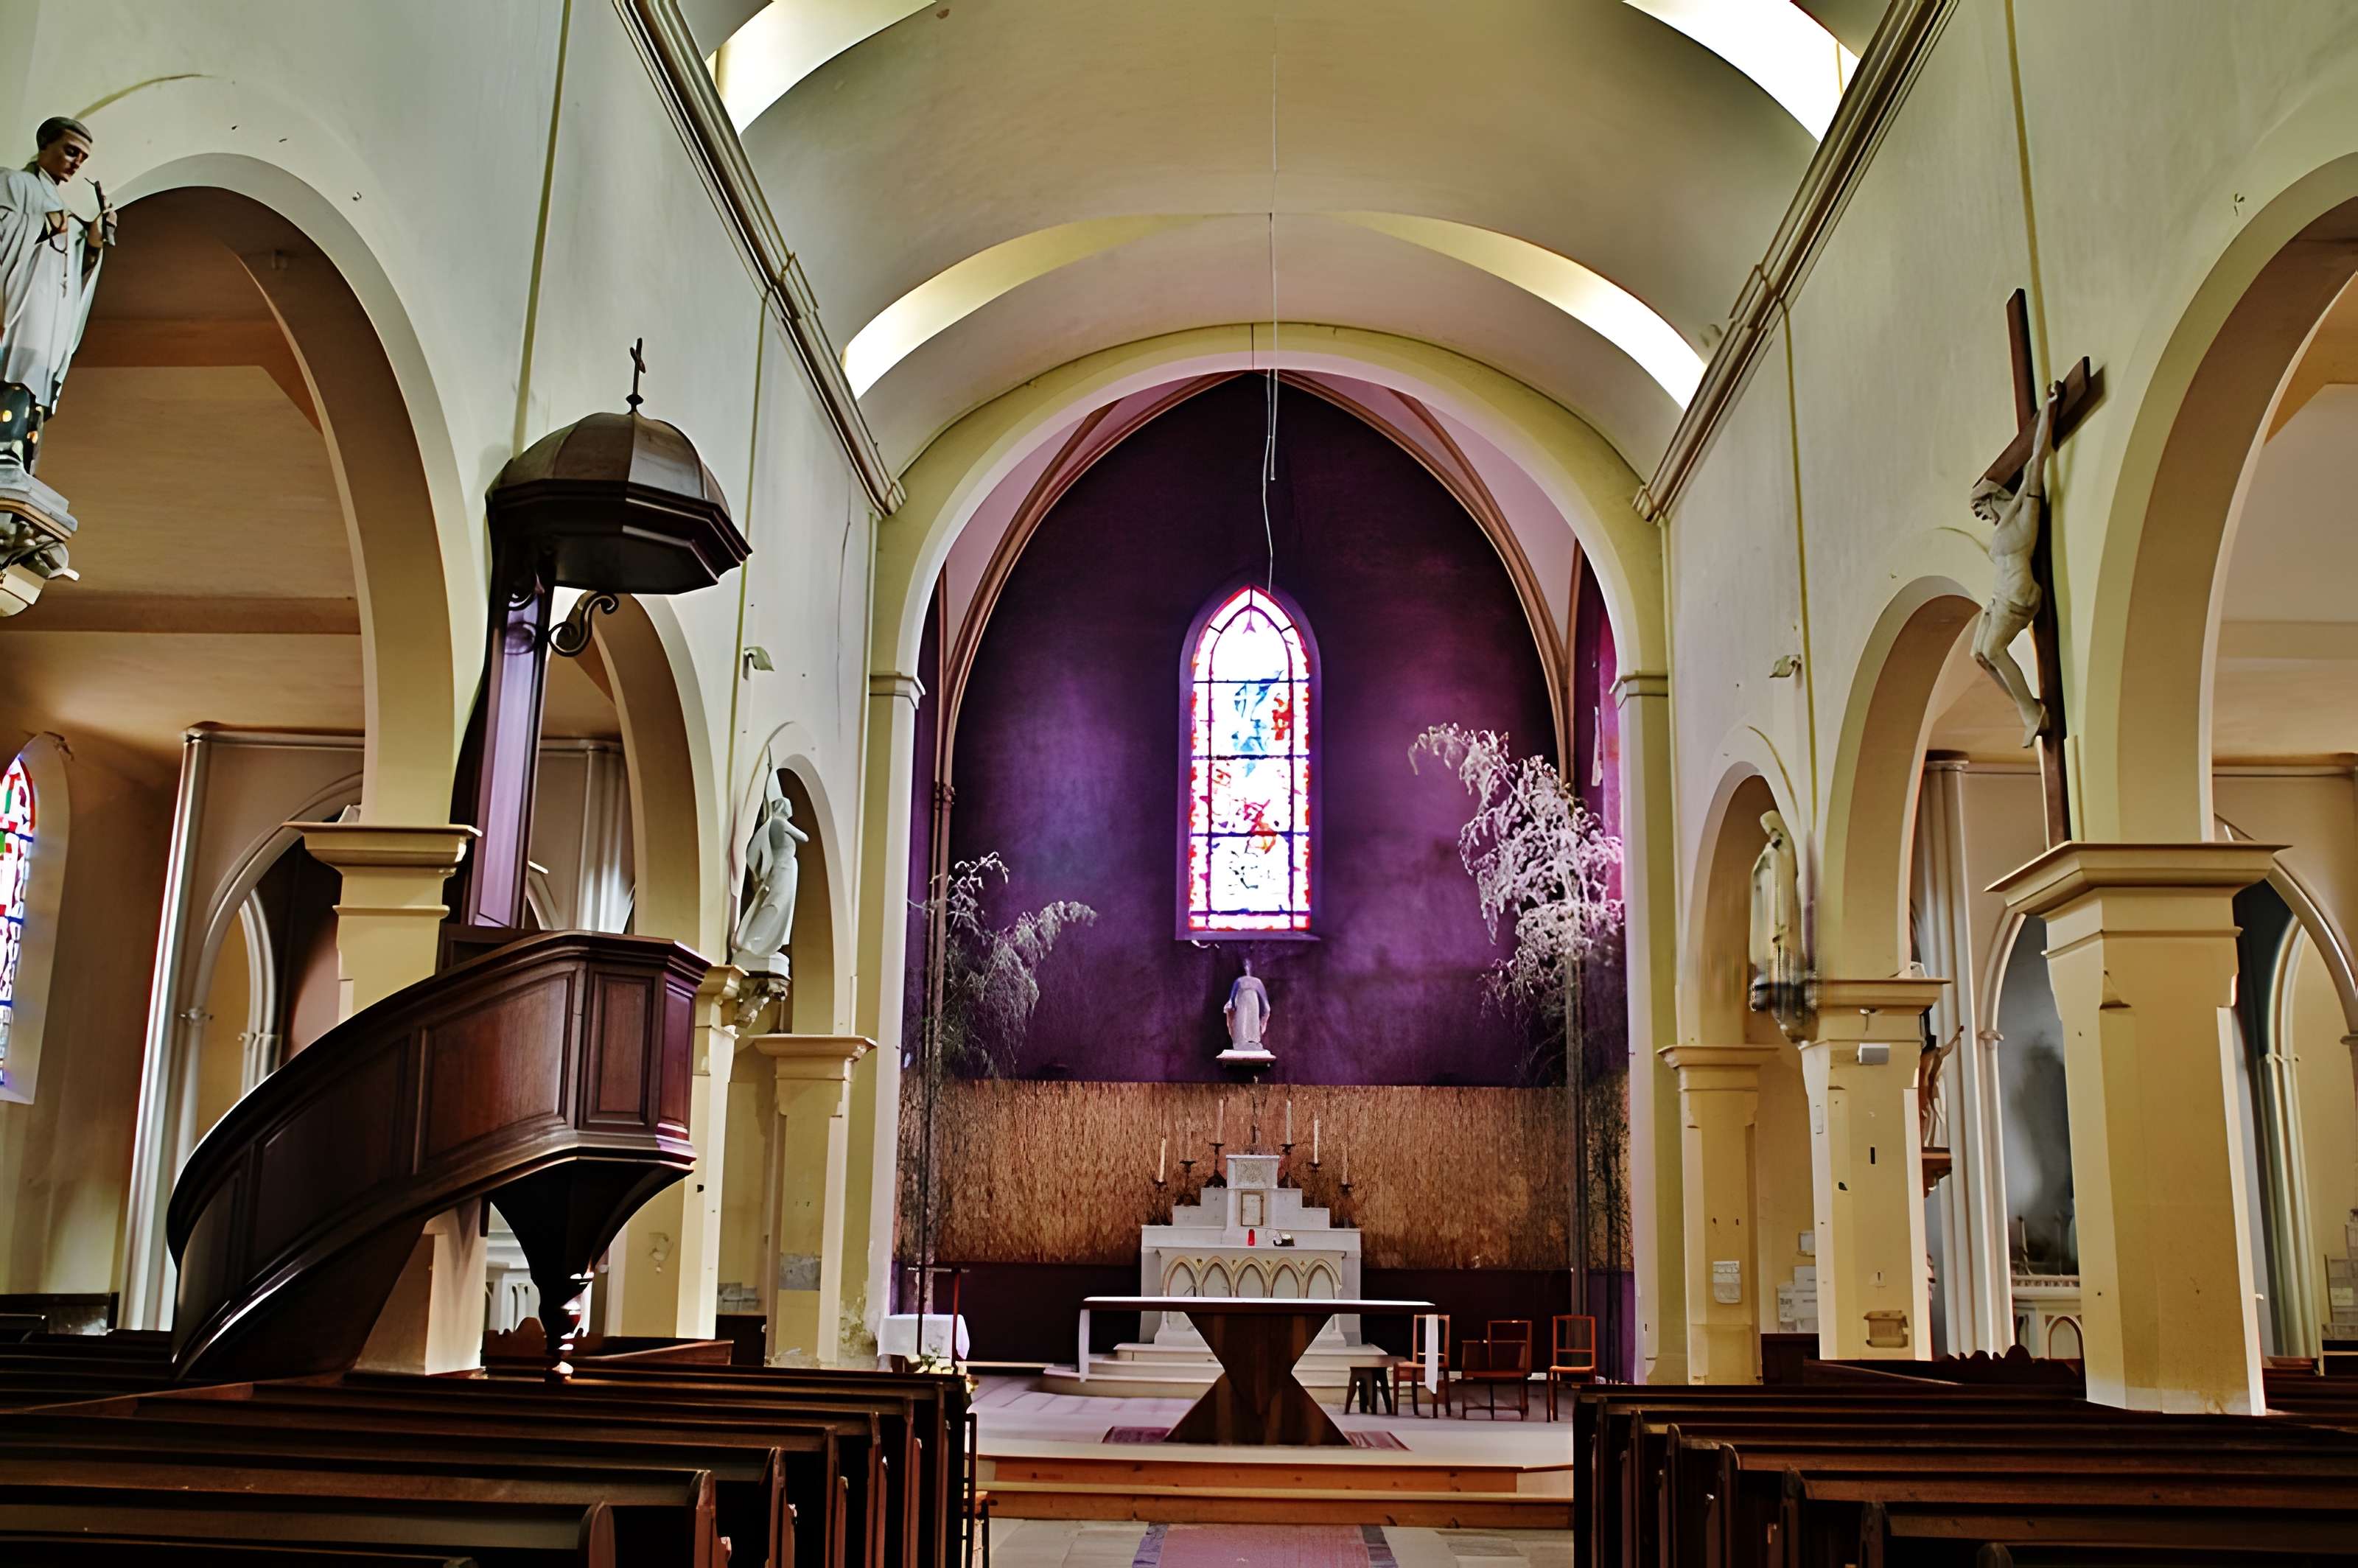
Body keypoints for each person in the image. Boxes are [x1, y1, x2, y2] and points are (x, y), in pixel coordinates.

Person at [0, 116, 112, 474]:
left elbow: (77, 265)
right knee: (14, 372)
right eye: (71, 151)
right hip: (19, 300)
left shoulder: (62, 209)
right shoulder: (13, 184)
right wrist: (49, 224)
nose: (77, 163)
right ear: (45, 145)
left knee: (37, 378)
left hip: (50, 310)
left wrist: (92, 239)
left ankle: (19, 456)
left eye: (83, 158)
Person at [1970, 382, 2061, 749]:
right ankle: (2027, 709)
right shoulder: (2005, 525)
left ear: (1994, 500)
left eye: (1984, 509)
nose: (1986, 517)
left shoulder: (2027, 510)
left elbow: (2037, 460)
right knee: (1978, 654)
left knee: (1992, 651)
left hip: (2019, 595)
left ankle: (2032, 713)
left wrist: (2050, 412)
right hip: (2001, 596)